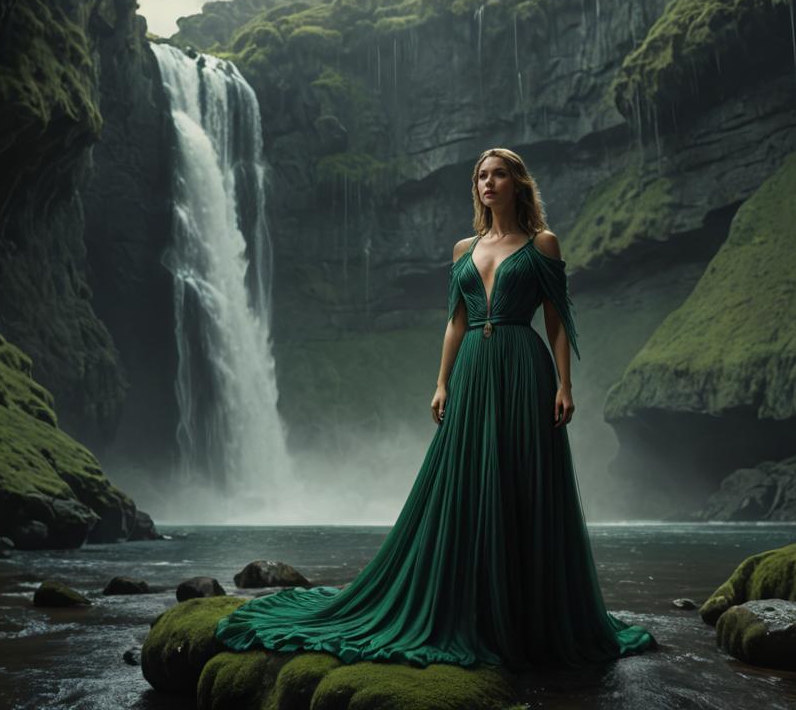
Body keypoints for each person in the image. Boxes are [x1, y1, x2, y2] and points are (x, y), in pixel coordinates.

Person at [216, 147, 656, 670]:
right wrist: (441, 382)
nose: (486, 184)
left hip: (522, 368)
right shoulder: (462, 249)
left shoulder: (543, 244)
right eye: (480, 177)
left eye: (496, 176)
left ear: (518, 184)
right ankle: (468, 608)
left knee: (523, 484)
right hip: (471, 370)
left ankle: (525, 617)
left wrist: (565, 383)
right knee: (467, 481)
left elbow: (556, 319)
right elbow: (455, 322)